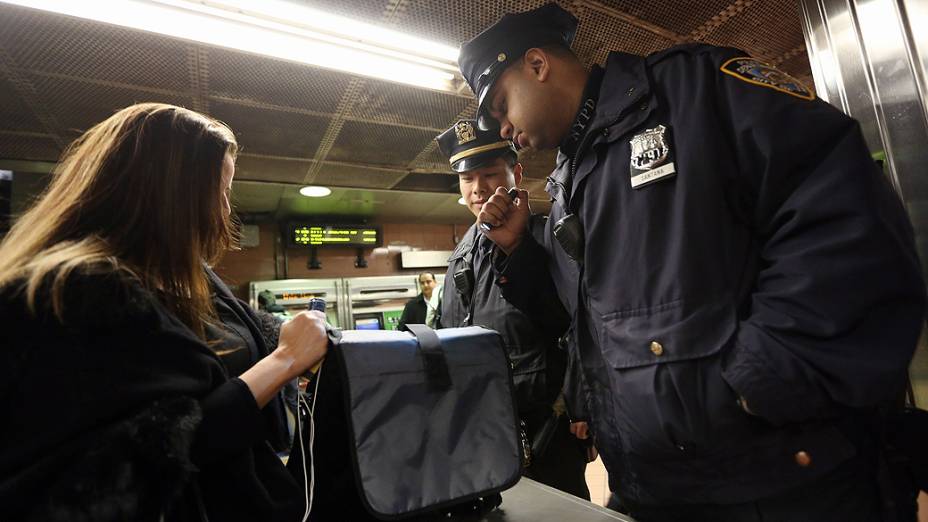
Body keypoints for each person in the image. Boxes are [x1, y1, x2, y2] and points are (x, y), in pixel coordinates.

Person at [457, 4, 927, 521]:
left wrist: (758, 378)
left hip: (781, 480)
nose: (502, 128)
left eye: (501, 105)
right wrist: (518, 251)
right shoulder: (569, 181)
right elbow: (579, 320)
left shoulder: (696, 93)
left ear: (538, 64)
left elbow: (844, 216)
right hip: (658, 486)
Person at [0, 103, 329, 521]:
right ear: (173, 193)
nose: (226, 210)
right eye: (222, 191)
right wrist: (285, 361)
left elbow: (241, 332)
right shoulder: (81, 293)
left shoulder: (185, 278)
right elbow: (171, 446)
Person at [435, 119, 591, 499]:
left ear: (516, 172)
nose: (478, 189)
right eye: (467, 178)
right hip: (482, 427)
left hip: (546, 425)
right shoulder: (459, 257)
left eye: (489, 174)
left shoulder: (546, 237)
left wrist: (585, 402)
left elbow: (576, 324)